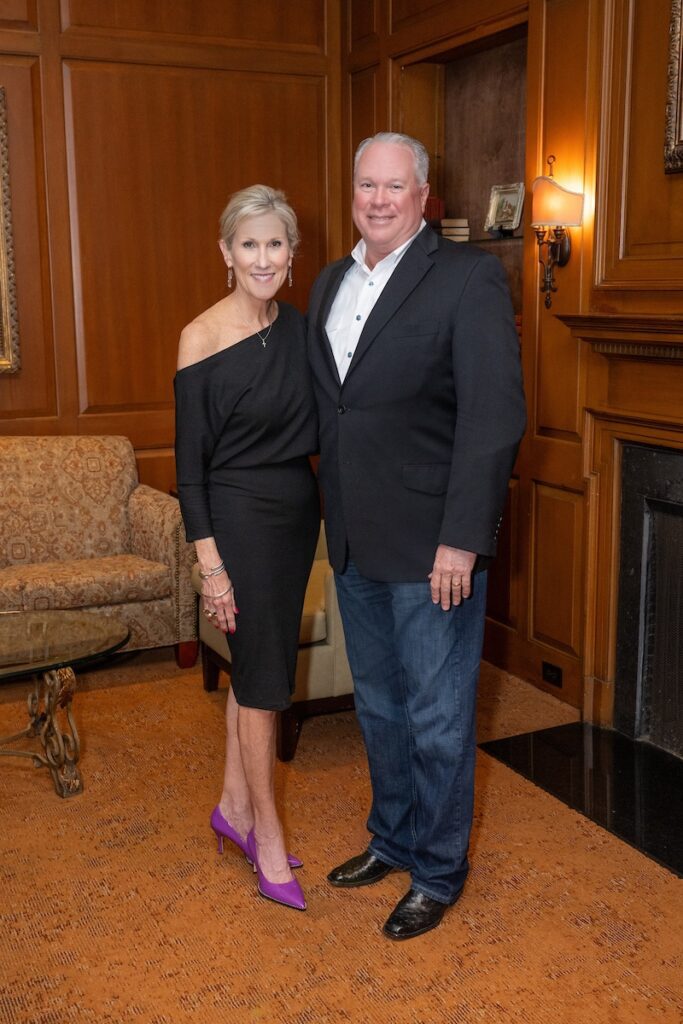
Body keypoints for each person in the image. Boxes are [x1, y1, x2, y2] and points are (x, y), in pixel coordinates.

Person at [307, 132, 526, 939]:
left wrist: (462, 540)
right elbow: (331, 407)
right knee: (379, 708)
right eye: (365, 184)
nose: (377, 199)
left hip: (435, 547)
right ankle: (391, 838)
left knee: (436, 716)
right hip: (356, 540)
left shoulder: (467, 278)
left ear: (423, 195)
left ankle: (436, 870)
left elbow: (493, 418)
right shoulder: (332, 279)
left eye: (393, 186)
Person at [174, 185, 320, 912]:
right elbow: (189, 468)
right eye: (249, 243)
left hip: (294, 520)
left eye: (275, 244)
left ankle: (232, 807)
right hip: (236, 521)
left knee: (254, 669)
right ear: (226, 252)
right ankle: (265, 835)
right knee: (265, 687)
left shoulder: (298, 329)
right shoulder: (200, 337)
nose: (263, 257)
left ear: (291, 255)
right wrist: (211, 566)